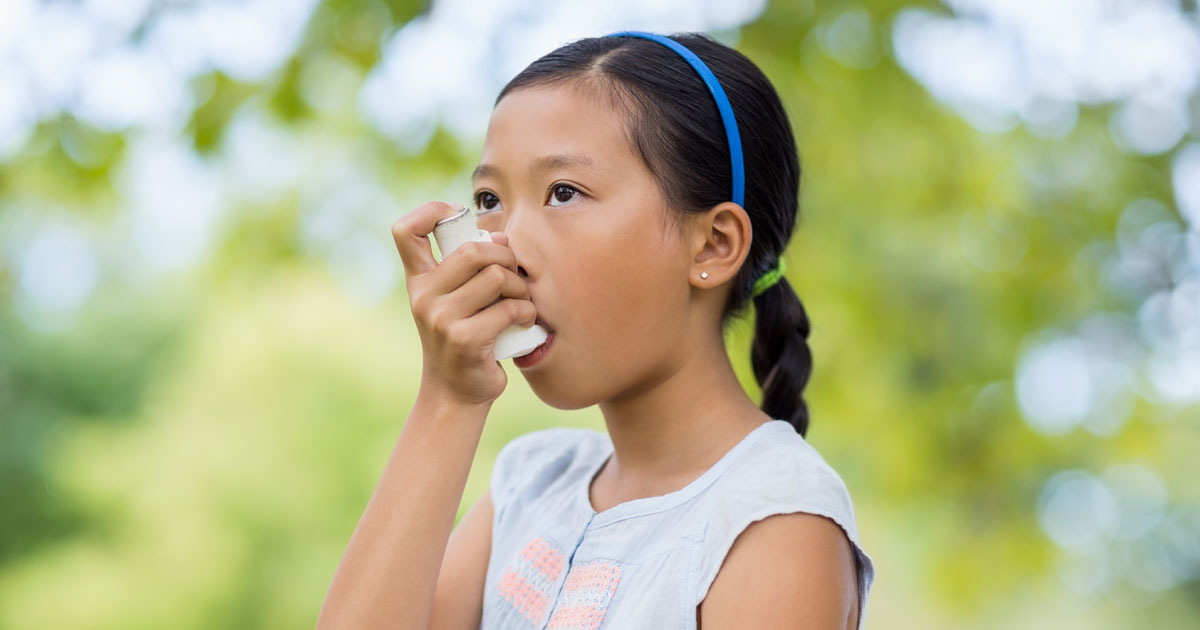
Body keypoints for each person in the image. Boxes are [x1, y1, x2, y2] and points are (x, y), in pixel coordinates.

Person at [319, 31, 875, 630]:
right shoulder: (531, 485)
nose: (507, 250)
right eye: (488, 199)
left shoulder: (774, 522)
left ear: (713, 244)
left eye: (563, 192)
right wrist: (448, 399)